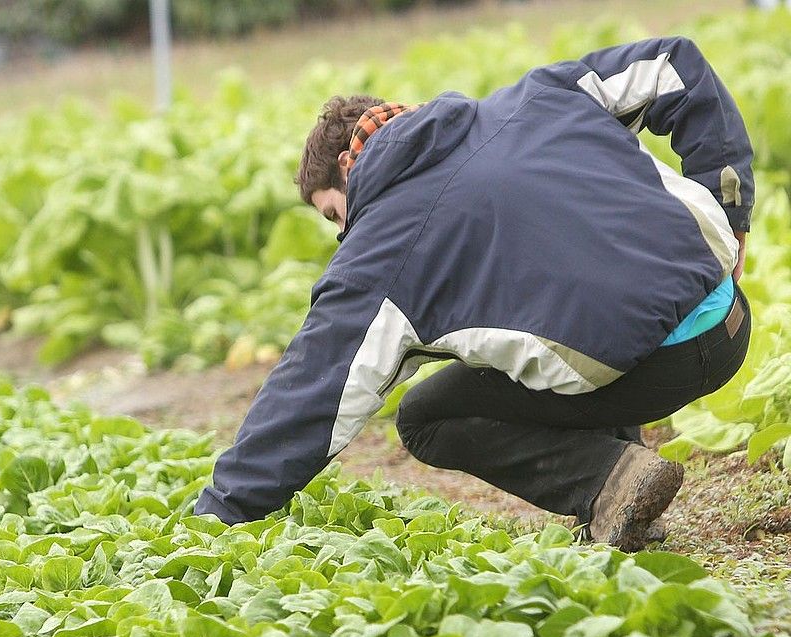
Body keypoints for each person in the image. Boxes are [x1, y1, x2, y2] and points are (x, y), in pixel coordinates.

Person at [193, 37, 753, 551]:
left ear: (347, 166)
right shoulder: (533, 97)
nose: (345, 234)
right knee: (577, 299)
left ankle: (607, 481)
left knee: (424, 415)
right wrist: (729, 210)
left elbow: (311, 390)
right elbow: (674, 63)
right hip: (728, 318)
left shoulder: (385, 245)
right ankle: (626, 486)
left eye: (335, 215)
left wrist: (218, 515)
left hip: (653, 371)